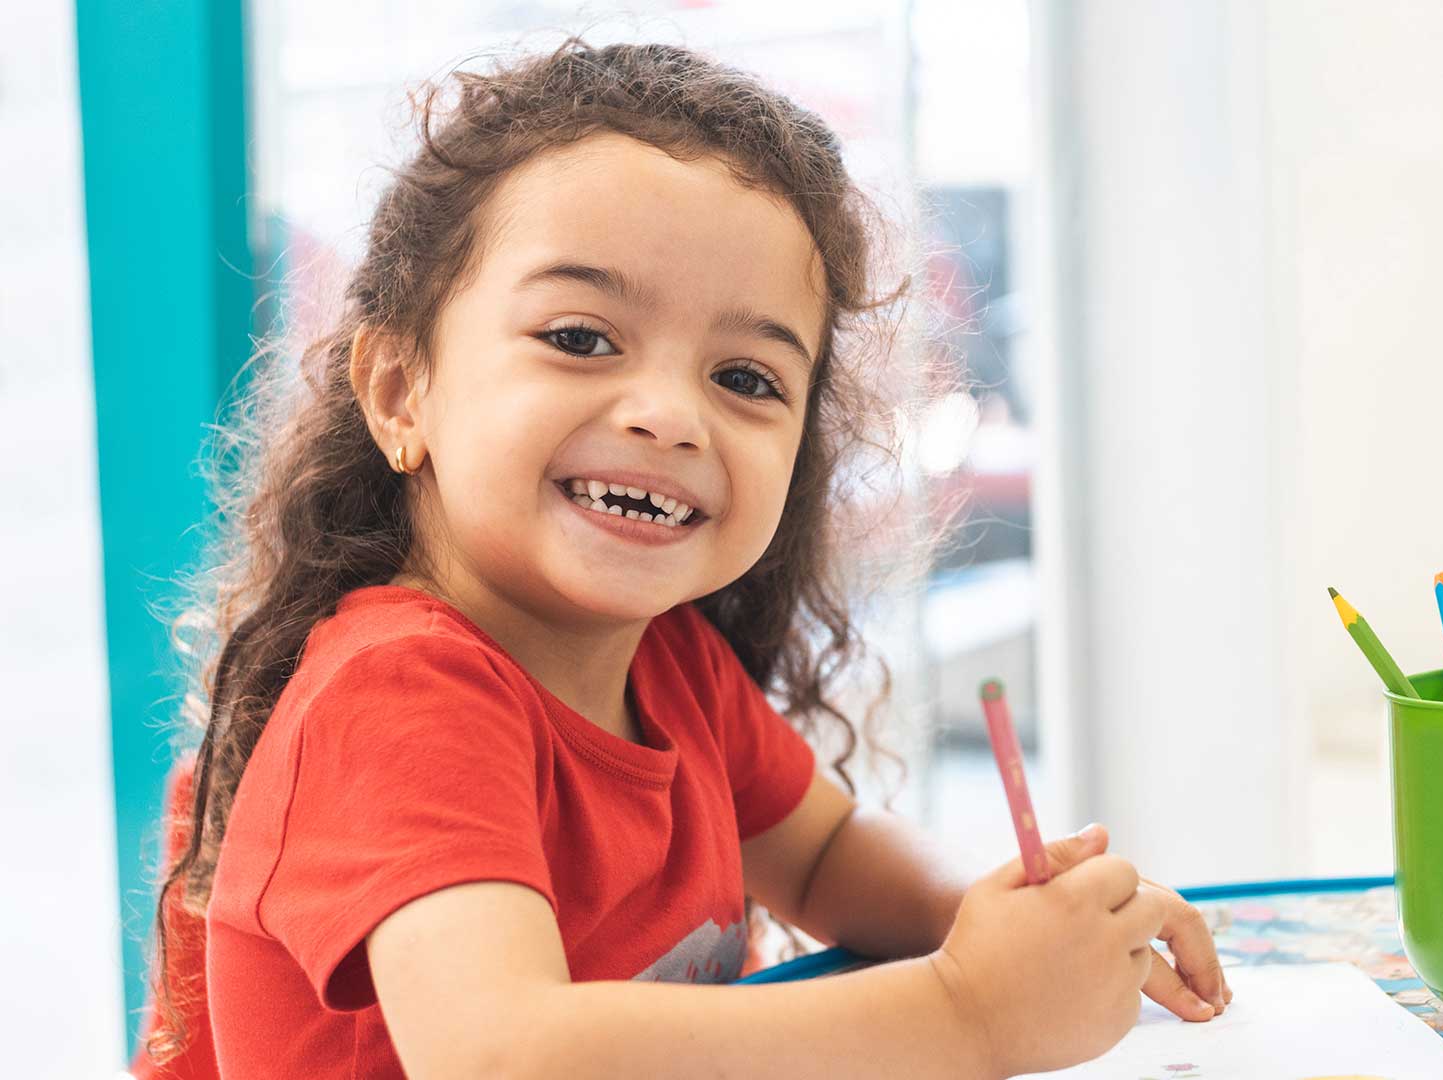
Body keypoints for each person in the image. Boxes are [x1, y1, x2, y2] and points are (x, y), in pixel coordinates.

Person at [131, 38, 1229, 1080]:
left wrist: (1026, 926)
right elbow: (507, 1055)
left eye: (746, 379)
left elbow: (825, 855)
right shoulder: (399, 694)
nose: (668, 415)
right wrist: (968, 1009)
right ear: (399, 392)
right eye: (580, 338)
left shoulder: (670, 664)